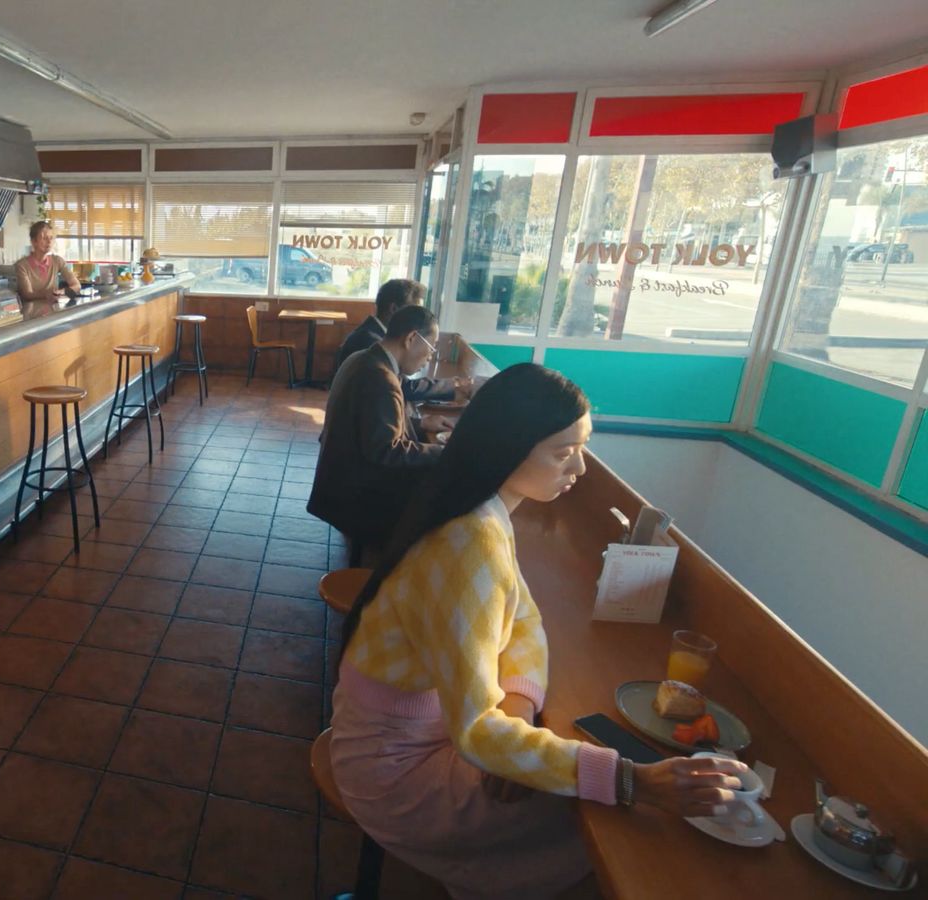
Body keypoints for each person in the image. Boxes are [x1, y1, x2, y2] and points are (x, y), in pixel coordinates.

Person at [329, 363, 749, 899]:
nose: (580, 466)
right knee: (601, 824)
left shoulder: (483, 512)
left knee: (569, 788)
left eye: (583, 446)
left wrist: (519, 706)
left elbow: (524, 617)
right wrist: (632, 780)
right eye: (562, 451)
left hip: (423, 738)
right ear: (507, 447)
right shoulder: (470, 542)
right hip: (394, 774)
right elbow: (478, 731)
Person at [308, 305, 446, 554]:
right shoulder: (381, 378)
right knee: (441, 505)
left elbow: (367, 425)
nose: (430, 356)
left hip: (339, 481)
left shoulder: (364, 358)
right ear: (411, 338)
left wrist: (418, 424)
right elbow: (386, 451)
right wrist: (443, 451)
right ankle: (395, 580)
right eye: (432, 346)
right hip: (356, 495)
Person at [333, 278, 473, 412]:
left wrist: (420, 424)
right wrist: (456, 386)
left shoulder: (373, 335)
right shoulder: (369, 341)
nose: (420, 318)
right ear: (394, 309)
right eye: (415, 311)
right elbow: (402, 387)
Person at [13, 220, 81, 306]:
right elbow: (28, 294)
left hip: (52, 315)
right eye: (44, 238)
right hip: (31, 315)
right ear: (34, 242)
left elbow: (77, 285)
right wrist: (48, 294)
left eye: (51, 238)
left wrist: (61, 292)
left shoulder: (57, 261)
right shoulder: (22, 265)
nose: (49, 242)